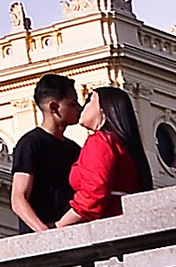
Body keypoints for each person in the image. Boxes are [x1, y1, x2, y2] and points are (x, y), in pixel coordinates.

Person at [59, 84, 151, 226]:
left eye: (90, 99)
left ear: (103, 108)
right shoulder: (122, 144)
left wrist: (60, 225)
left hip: (107, 221)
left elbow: (93, 192)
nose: (83, 106)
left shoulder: (100, 141)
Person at [10, 74, 84, 233]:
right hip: (43, 239)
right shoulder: (30, 144)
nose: (79, 108)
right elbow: (18, 198)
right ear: (54, 107)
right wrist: (44, 232)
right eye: (72, 104)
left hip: (72, 233)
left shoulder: (74, 149)